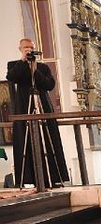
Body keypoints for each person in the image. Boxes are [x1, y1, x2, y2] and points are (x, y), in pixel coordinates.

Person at [6, 38, 68, 188]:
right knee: (26, 142)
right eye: (25, 47)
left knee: (47, 139)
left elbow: (49, 85)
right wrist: (23, 62)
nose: (28, 49)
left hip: (43, 106)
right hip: (24, 106)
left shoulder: (42, 67)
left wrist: (34, 70)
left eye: (31, 47)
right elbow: (12, 78)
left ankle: (53, 177)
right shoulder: (14, 65)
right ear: (20, 49)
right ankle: (29, 179)